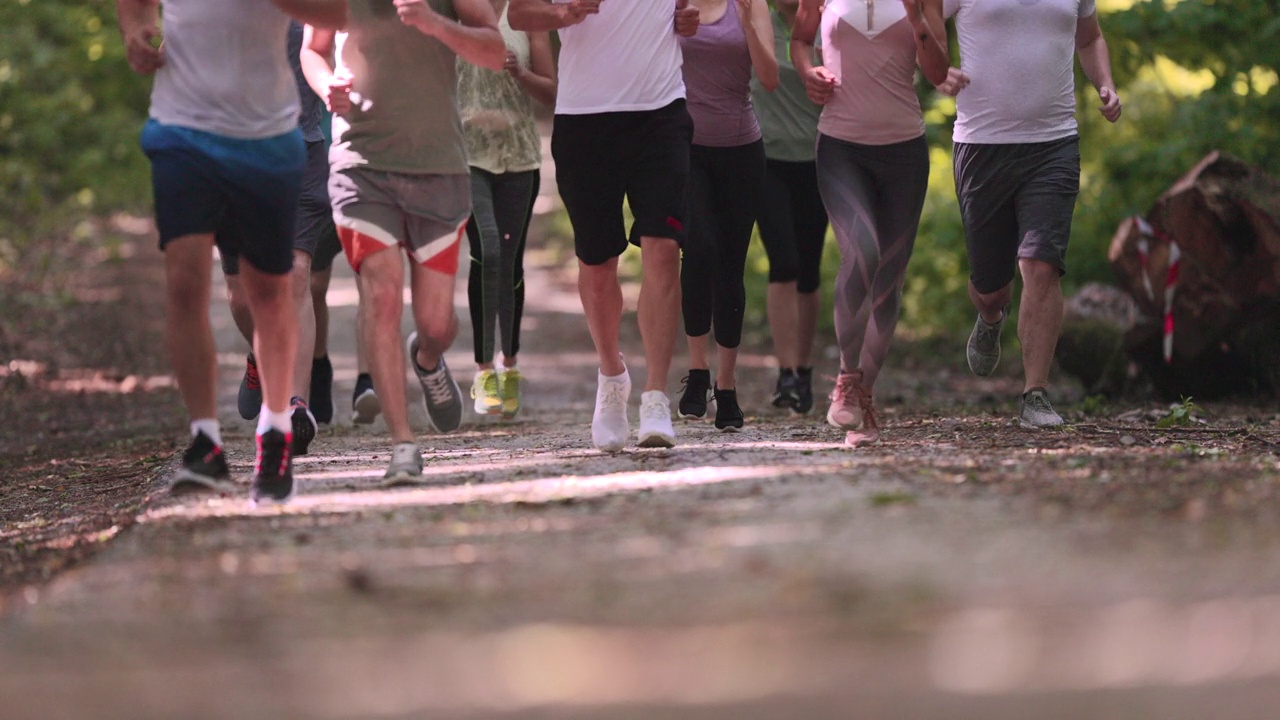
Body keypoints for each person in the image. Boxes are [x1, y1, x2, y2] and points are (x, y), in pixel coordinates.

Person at [117, 0, 347, 503]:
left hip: (266, 135)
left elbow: (344, 14)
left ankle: (276, 429)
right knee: (184, 283)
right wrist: (136, 29)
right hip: (181, 129)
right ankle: (205, 441)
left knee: (271, 294)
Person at [301, 0, 506, 482]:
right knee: (382, 295)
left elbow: (495, 51)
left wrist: (434, 23)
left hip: (438, 167)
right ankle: (403, 445)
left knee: (436, 323)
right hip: (361, 162)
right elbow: (313, 49)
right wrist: (325, 83)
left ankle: (427, 357)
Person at [509, 0, 701, 451]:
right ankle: (612, 377)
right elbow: (518, 14)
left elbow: (691, 11)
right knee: (597, 268)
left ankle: (655, 396)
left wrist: (688, 16)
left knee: (663, 248)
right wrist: (560, 15)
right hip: (584, 117)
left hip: (660, 110)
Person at [944, 0, 1121, 428]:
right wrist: (936, 70)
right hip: (981, 144)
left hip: (1054, 143)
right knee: (991, 288)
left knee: (1041, 264)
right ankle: (990, 315)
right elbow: (918, 25)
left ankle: (1035, 394)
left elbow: (1091, 36)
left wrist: (1106, 83)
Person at [791, 0, 951, 446]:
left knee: (889, 278)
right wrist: (807, 72)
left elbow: (939, 73)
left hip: (904, 152)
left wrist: (917, 17)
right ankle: (847, 375)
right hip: (841, 146)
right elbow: (800, 39)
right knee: (862, 249)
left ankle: (863, 399)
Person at [227, 20, 344, 456]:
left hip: (303, 147)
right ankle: (261, 356)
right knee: (242, 297)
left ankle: (296, 406)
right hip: (235, 153)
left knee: (296, 277)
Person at [676, 0, 777, 431]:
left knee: (729, 263)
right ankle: (697, 368)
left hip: (741, 152)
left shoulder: (751, 6)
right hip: (685, 148)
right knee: (699, 247)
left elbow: (770, 79)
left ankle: (727, 384)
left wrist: (752, 24)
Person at [457, 0, 557, 419]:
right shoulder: (454, 8)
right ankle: (482, 371)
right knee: (489, 252)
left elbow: (553, 92)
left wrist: (521, 73)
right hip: (467, 156)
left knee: (510, 263)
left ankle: (509, 364)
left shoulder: (529, 10)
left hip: (519, 157)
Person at [749, 0, 827, 415]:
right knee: (784, 261)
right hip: (767, 159)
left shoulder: (823, 17)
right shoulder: (753, 16)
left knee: (809, 271)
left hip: (817, 160)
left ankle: (805, 365)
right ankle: (786, 373)